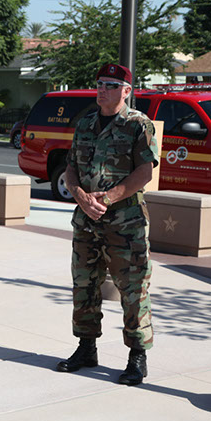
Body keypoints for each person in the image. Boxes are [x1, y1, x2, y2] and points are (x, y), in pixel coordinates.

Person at [56, 63, 159, 386]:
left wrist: (108, 198)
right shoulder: (85, 124)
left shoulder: (137, 125)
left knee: (133, 289)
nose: (103, 90)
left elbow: (144, 172)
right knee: (84, 285)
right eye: (100, 83)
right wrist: (80, 196)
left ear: (127, 91)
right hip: (87, 221)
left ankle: (136, 357)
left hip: (125, 224)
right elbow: (71, 168)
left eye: (112, 85)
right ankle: (86, 348)